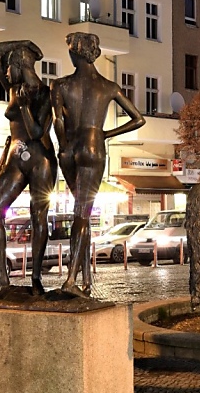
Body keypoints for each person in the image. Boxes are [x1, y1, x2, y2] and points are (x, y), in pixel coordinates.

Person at [51, 32, 145, 296]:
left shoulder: (59, 85)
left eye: (70, 50)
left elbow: (58, 121)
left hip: (70, 149)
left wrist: (63, 147)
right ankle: (74, 279)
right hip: (94, 147)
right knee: (82, 213)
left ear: (76, 53)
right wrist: (105, 133)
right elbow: (138, 119)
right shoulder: (108, 86)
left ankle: (83, 279)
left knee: (80, 212)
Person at [0, 40, 58, 293]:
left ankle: (36, 277)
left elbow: (37, 131)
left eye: (8, 66)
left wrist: (25, 107)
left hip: (40, 159)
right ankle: (2, 278)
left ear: (20, 64)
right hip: (15, 157)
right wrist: (24, 44)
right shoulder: (13, 88)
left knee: (38, 217)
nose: (4, 71)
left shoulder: (46, 93)